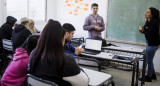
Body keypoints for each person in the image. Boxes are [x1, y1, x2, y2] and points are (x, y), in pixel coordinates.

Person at [29, 20, 88, 86]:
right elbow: (84, 83)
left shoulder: (33, 54)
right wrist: (79, 69)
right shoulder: (66, 59)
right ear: (60, 39)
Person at [139, 7, 160, 82]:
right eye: (146, 12)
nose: (145, 13)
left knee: (149, 61)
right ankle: (153, 75)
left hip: (152, 44)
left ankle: (149, 76)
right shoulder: (150, 20)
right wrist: (143, 29)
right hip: (151, 43)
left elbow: (149, 33)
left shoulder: (154, 22)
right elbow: (147, 31)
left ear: (152, 14)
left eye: (148, 12)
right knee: (150, 60)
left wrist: (142, 30)